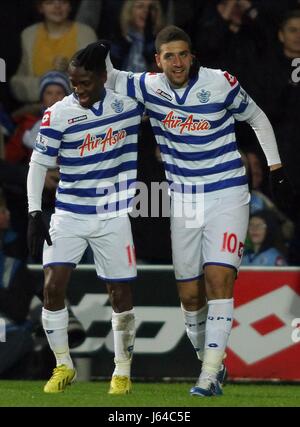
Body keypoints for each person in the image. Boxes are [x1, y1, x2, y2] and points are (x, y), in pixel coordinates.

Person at [104, 25, 293, 397]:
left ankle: (207, 376)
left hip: (226, 193)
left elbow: (257, 117)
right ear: (157, 60)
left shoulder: (220, 82)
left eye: (183, 54)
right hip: (184, 202)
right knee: (190, 298)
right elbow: (107, 76)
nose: (177, 62)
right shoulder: (147, 86)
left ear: (193, 56)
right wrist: (102, 49)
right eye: (169, 56)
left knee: (219, 279)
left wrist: (275, 167)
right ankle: (213, 361)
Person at [26, 42, 143, 394]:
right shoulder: (58, 113)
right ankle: (64, 366)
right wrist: (34, 211)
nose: (78, 89)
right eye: (73, 83)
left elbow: (166, 99)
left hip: (113, 216)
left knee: (119, 292)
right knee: (52, 287)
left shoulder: (128, 105)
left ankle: (122, 371)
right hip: (69, 213)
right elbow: (38, 164)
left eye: (84, 83)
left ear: (103, 78)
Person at [10, 0, 97, 104]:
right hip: (36, 109)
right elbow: (18, 84)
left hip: (78, 107)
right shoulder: (29, 35)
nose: (57, 7)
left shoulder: (86, 33)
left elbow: (95, 80)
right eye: (50, 2)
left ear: (70, 6)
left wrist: (70, 70)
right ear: (40, 7)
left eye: (63, 2)